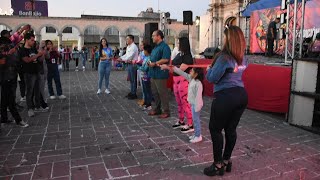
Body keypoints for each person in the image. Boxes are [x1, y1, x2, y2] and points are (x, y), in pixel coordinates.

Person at [204, 26, 248, 176]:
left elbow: (211, 78)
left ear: (229, 40)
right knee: (230, 129)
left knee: (215, 129)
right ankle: (227, 160)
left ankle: (217, 165)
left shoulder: (224, 58)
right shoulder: (243, 58)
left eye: (225, 37)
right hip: (241, 95)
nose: (223, 40)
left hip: (226, 97)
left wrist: (209, 69)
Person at [161, 64, 204, 143]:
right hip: (192, 104)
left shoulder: (198, 84)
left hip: (196, 105)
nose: (190, 72)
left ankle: (198, 136)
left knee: (196, 120)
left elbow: (198, 97)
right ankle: (196, 134)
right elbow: (183, 73)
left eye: (192, 71)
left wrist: (197, 107)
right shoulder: (191, 79)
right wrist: (175, 69)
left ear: (196, 74)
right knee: (195, 120)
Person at [0, 35, 29, 127]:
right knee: (11, 101)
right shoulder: (3, 52)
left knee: (4, 100)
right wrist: (8, 54)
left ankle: (4, 119)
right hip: (5, 78)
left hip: (10, 77)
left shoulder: (8, 50)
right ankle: (18, 120)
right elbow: (2, 64)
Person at [170, 37, 194, 133]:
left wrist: (171, 68)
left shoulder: (187, 56)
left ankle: (190, 123)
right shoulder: (179, 54)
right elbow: (174, 66)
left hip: (183, 81)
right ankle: (181, 120)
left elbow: (181, 70)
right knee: (179, 102)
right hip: (176, 80)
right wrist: (171, 68)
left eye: (179, 43)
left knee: (185, 103)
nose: (177, 45)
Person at [147, 30, 171, 119]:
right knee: (155, 93)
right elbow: (152, 57)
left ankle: (166, 111)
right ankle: (157, 109)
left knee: (162, 93)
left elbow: (166, 59)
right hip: (153, 73)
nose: (152, 37)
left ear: (159, 36)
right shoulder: (155, 47)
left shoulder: (165, 47)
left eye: (153, 35)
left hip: (160, 74)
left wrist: (155, 63)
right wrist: (149, 62)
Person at [19, 33, 43, 117]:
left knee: (37, 90)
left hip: (36, 72)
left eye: (34, 40)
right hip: (28, 73)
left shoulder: (33, 49)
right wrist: (38, 55)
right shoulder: (22, 50)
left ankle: (37, 106)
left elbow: (39, 59)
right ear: (26, 40)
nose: (33, 42)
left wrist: (42, 54)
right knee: (29, 91)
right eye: (32, 40)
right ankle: (30, 109)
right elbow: (27, 60)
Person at [119, 35, 139, 99]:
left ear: (131, 40)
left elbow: (130, 56)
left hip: (133, 65)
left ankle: (134, 93)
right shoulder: (128, 47)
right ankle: (132, 91)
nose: (126, 40)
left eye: (127, 39)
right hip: (129, 64)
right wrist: (121, 58)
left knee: (133, 79)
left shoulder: (134, 47)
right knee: (131, 79)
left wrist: (121, 59)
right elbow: (126, 55)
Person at [139, 44, 153, 110]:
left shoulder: (149, 58)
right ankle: (146, 103)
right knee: (144, 90)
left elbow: (145, 68)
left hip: (147, 76)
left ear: (147, 51)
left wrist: (138, 67)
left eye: (144, 50)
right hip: (144, 76)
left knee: (148, 91)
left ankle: (149, 104)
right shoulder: (145, 58)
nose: (143, 52)